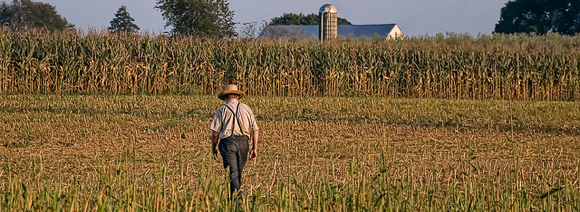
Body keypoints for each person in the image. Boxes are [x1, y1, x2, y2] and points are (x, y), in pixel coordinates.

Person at [209, 84, 259, 198]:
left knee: (233, 174)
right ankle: (235, 198)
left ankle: (236, 200)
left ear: (226, 97)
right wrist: (254, 148)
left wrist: (213, 148)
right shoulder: (247, 108)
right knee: (238, 173)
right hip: (244, 143)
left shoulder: (222, 110)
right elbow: (255, 130)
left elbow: (215, 134)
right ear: (237, 96)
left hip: (228, 143)